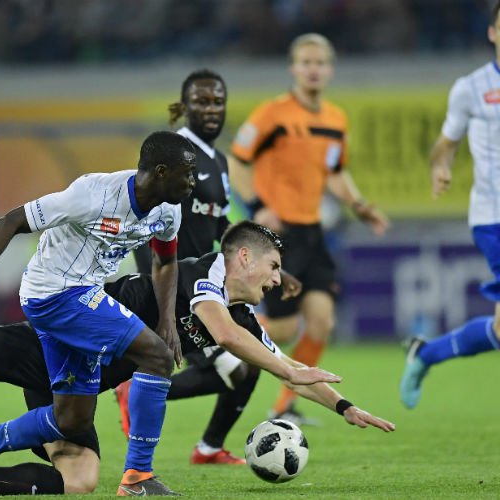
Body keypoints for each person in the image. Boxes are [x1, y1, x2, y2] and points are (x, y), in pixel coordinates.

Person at [0, 221, 383, 496]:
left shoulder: (244, 316)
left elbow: (287, 368)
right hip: (53, 341)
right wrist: (290, 369)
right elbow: (221, 331)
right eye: (275, 267)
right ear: (244, 259)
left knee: (80, 480)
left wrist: (345, 404)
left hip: (77, 387)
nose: (280, 280)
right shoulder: (204, 278)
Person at [0, 130, 198, 497]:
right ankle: (138, 477)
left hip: (83, 293)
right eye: (188, 172)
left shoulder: (169, 210)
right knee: (156, 355)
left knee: (71, 418)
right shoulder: (92, 195)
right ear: (162, 171)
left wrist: (167, 320)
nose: (193, 181)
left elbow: (165, 261)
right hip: (53, 293)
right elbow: (9, 221)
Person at [123, 68, 296, 466]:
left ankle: (207, 448)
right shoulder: (174, 155)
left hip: (208, 285)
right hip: (178, 290)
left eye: (218, 101)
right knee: (237, 366)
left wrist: (271, 263)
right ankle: (136, 390)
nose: (211, 108)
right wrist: (158, 292)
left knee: (246, 369)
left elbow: (221, 225)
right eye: (201, 101)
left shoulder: (217, 160)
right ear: (184, 107)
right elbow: (147, 224)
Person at [228, 33, 390, 425]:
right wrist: (258, 208)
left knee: (322, 321)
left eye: (320, 63)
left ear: (329, 69)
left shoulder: (335, 119)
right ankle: (219, 342)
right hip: (280, 235)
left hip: (313, 232)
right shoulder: (272, 114)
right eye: (306, 62)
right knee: (282, 328)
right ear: (293, 68)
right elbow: (236, 162)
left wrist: (359, 205)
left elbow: (334, 173)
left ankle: (284, 406)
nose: (313, 69)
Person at [400, 0, 500, 409]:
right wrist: (441, 168)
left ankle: (426, 353)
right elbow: (444, 146)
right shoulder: (471, 88)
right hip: (494, 218)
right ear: (492, 32)